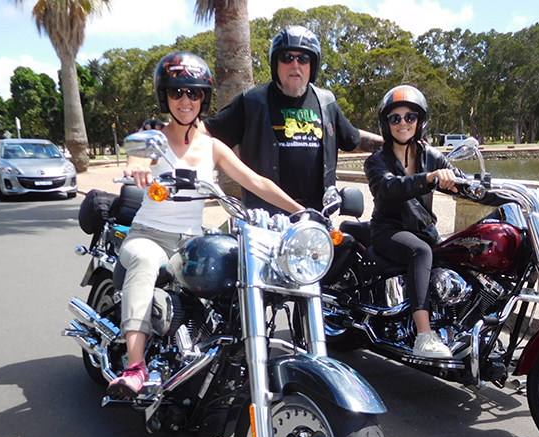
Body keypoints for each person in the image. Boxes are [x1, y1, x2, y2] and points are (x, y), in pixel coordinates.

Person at [107, 52, 304, 398]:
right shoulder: (152, 137)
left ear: (204, 98)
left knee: (235, 265)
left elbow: (256, 181)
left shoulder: (212, 146)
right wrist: (136, 167)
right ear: (165, 95)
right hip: (149, 236)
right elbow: (137, 155)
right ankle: (135, 366)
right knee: (143, 259)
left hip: (190, 242)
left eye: (194, 93)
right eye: (177, 92)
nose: (185, 100)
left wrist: (300, 211)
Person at [201, 25, 383, 213]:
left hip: (317, 218)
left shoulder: (326, 103)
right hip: (265, 218)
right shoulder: (251, 102)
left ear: (312, 65)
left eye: (303, 58)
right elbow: (205, 133)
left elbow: (352, 139)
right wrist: (173, 134)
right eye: (287, 58)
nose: (295, 65)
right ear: (276, 64)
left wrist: (393, 144)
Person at [363, 85, 458, 358]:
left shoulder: (432, 157)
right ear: (386, 123)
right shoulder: (376, 161)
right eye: (395, 118)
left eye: (410, 117)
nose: (403, 123)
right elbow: (388, 187)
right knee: (421, 251)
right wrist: (428, 178)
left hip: (424, 230)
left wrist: (480, 189)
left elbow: (458, 179)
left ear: (420, 121)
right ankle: (423, 336)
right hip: (388, 231)